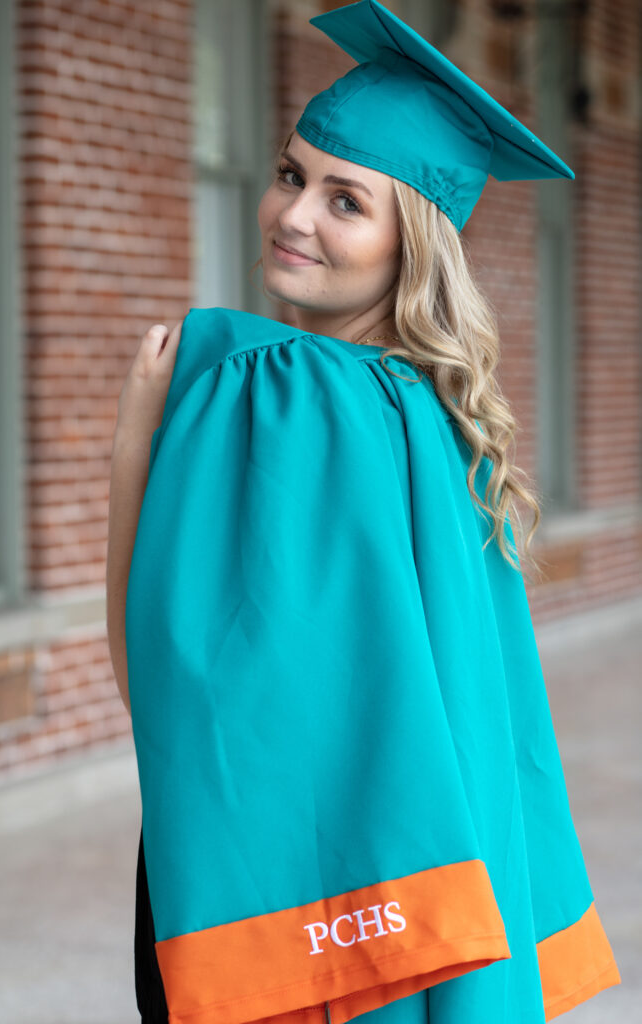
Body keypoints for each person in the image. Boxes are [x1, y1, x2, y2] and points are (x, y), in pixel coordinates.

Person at [106, 2, 621, 1022]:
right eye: (293, 175)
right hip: (424, 895)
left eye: (347, 201)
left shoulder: (280, 390)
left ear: (410, 243)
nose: (294, 214)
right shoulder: (440, 414)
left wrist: (136, 437)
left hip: (291, 898)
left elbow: (168, 675)